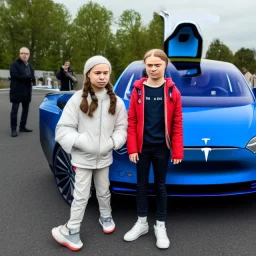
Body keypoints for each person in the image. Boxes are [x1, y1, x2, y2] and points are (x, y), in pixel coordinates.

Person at [51, 56, 127, 251]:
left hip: (104, 158)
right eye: (97, 73)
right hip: (83, 158)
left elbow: (122, 129)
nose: (102, 77)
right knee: (81, 195)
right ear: (88, 74)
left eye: (105, 73)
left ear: (110, 75)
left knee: (104, 191)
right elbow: (63, 130)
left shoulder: (116, 102)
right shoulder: (77, 99)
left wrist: (112, 143)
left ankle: (106, 217)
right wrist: (84, 142)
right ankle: (72, 231)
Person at [123, 49, 184, 249]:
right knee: (141, 185)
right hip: (142, 148)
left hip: (162, 149)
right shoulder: (138, 90)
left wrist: (177, 150)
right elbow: (131, 121)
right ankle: (142, 223)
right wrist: (132, 147)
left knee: (160, 186)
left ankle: (160, 226)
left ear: (165, 65)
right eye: (149, 65)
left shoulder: (172, 91)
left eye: (157, 65)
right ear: (145, 66)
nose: (153, 69)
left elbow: (177, 123)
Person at [9, 47, 35, 137]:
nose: (25, 55)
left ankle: (22, 126)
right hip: (16, 91)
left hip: (27, 92)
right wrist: (28, 78)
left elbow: (32, 75)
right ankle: (13, 129)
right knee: (14, 111)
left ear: (29, 55)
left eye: (27, 54)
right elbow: (14, 75)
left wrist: (33, 79)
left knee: (25, 110)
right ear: (19, 54)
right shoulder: (14, 64)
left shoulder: (29, 65)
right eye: (22, 53)